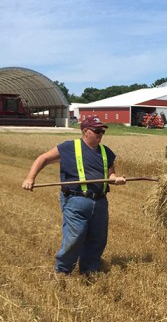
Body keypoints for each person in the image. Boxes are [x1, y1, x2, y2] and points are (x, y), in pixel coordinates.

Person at [22, 115, 127, 275]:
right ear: (85, 131)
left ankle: (89, 271)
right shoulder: (69, 147)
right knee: (75, 237)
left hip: (99, 202)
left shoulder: (106, 152)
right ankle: (63, 271)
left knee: (97, 239)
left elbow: (111, 175)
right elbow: (43, 158)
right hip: (75, 199)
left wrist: (116, 179)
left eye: (102, 131)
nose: (100, 134)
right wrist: (30, 178)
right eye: (97, 130)